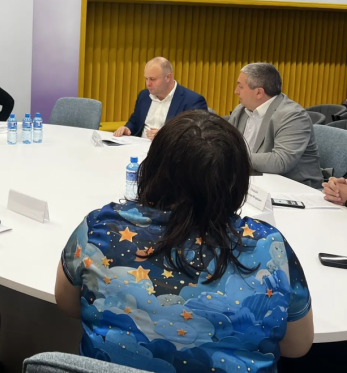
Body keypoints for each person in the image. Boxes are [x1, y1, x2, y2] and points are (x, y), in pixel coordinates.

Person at [56, 110, 313, 371]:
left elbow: (68, 305)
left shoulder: (100, 228)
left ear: (152, 167)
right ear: (237, 181)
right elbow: (297, 346)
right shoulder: (269, 246)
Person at [229, 63, 322, 188]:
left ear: (259, 92)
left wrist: (235, 158)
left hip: (292, 186)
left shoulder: (292, 115)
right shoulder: (241, 111)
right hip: (253, 180)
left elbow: (281, 161)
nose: (236, 91)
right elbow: (227, 144)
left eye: (240, 86)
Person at [114, 57, 207, 140]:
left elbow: (197, 137)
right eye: (146, 79)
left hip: (168, 151)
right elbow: (134, 122)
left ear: (168, 77)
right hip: (139, 148)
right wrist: (127, 128)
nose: (148, 84)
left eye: (152, 79)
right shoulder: (144, 96)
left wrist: (164, 137)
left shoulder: (192, 101)